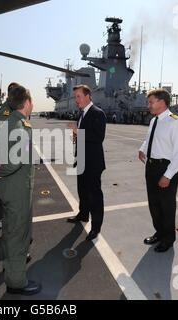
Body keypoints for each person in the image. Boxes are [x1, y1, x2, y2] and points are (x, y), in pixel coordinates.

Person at [0, 85, 40, 295]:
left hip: (10, 187)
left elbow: (7, 151)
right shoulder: (19, 125)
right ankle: (16, 281)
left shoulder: (7, 121)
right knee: (18, 232)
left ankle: (9, 262)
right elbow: (14, 162)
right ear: (27, 103)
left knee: (10, 228)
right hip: (17, 186)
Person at [138, 89, 178, 253]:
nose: (149, 105)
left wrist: (167, 175)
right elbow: (149, 139)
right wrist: (142, 148)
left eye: (151, 102)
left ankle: (168, 239)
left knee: (166, 206)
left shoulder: (176, 123)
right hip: (151, 167)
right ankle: (159, 232)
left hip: (166, 169)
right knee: (154, 204)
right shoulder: (154, 121)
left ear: (162, 102)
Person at [67, 84, 106, 241]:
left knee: (94, 195)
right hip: (82, 159)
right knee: (82, 190)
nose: (76, 100)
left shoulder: (98, 113)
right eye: (75, 97)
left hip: (93, 162)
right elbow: (85, 136)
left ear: (88, 96)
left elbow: (98, 137)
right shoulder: (82, 113)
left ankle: (96, 228)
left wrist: (78, 132)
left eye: (79, 96)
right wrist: (76, 137)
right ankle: (83, 215)